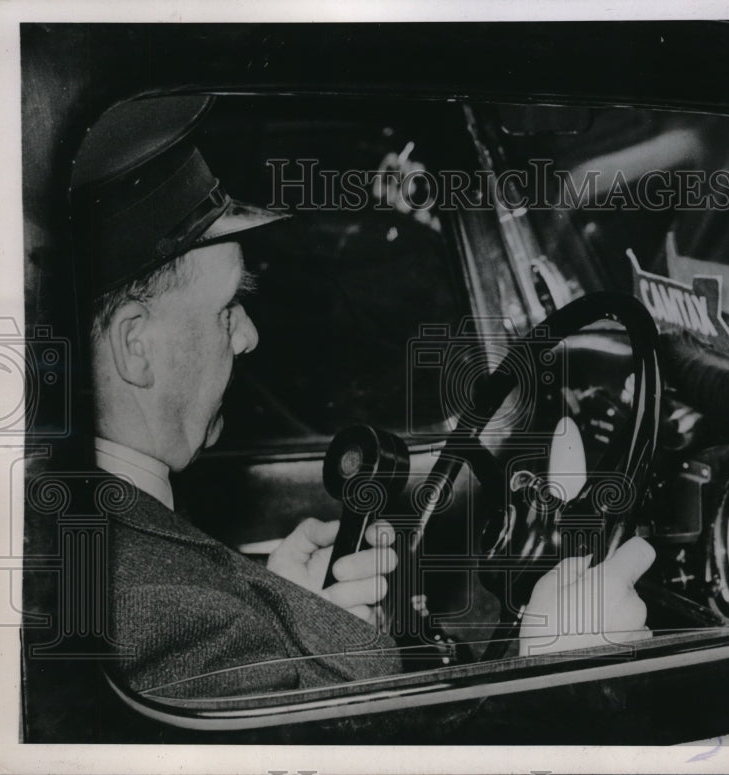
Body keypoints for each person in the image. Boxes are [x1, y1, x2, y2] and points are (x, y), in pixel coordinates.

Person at [76, 96, 653, 700]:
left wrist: (294, 613)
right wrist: (553, 670)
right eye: (227, 310)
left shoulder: (121, 534)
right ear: (135, 346)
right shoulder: (159, 613)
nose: (248, 337)